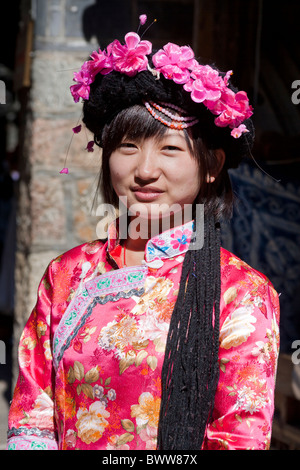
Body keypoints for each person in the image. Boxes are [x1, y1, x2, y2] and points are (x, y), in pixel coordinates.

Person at [7, 19, 280, 451]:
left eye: (170, 149)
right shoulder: (67, 275)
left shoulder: (241, 293)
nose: (146, 170)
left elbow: (238, 438)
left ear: (211, 165)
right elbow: (33, 416)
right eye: (129, 147)